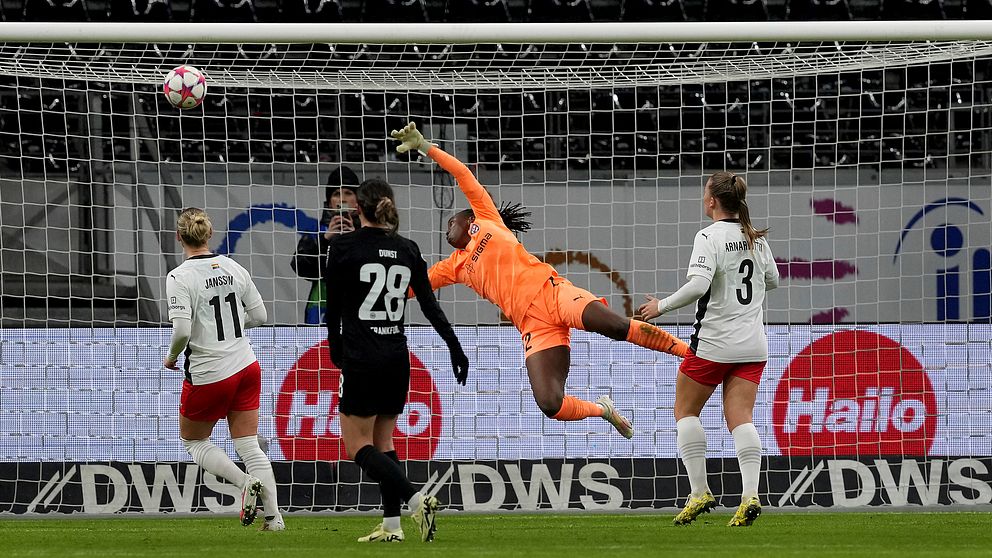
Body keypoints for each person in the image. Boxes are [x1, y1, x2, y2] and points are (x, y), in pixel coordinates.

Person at [390, 122, 689, 440]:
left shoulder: (488, 218)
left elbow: (462, 173)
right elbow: (412, 287)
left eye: (453, 220)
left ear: (470, 219)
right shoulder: (454, 266)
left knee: (615, 327)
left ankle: (691, 354)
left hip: (553, 294)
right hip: (533, 325)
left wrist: (425, 147)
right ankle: (603, 410)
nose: (448, 225)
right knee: (550, 404)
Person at [325, 178, 469, 543]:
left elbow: (333, 307)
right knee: (384, 441)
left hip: (362, 357)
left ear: (358, 208)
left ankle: (417, 500)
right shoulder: (408, 248)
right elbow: (430, 305)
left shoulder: (343, 247)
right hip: (396, 358)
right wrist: (455, 347)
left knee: (357, 446)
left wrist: (335, 348)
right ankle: (392, 525)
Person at [636, 171, 779, 527]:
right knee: (741, 418)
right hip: (753, 345)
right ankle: (750, 495)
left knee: (685, 410)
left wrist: (660, 307)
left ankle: (699, 491)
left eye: (705, 193)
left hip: (714, 343)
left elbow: (698, 285)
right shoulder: (755, 237)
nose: (703, 198)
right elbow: (773, 280)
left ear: (713, 200)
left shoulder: (708, 236)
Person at [164, 207, 285, 531]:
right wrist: (231, 328)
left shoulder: (179, 277)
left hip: (210, 372)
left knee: (194, 442)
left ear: (179, 237)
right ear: (209, 234)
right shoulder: (233, 267)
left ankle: (245, 483)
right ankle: (274, 519)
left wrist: (172, 357)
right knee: (248, 445)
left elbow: (182, 331)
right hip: (246, 366)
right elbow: (259, 316)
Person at [291, 165, 362, 324]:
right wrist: (325, 240)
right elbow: (300, 266)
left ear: (358, 201)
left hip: (361, 307)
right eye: (336, 194)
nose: (342, 199)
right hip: (322, 309)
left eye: (348, 193)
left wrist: (355, 238)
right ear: (329, 202)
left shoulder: (367, 231)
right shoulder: (317, 232)